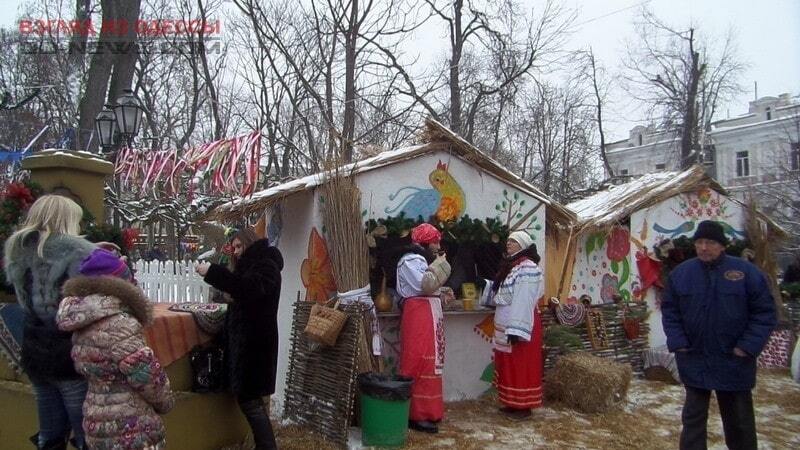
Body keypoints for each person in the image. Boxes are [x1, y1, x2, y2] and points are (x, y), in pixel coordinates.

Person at [662, 220, 777, 450]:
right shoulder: (682, 274)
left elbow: (764, 313)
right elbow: (670, 311)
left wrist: (746, 347)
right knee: (693, 420)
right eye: (700, 242)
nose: (704, 247)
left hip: (733, 360)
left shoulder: (746, 273)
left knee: (739, 422)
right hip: (695, 357)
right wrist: (679, 343)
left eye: (711, 242)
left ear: (722, 245)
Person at [3, 195, 97, 450]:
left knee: (50, 431)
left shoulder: (17, 250)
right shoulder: (78, 253)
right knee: (84, 431)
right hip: (69, 355)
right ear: (66, 220)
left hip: (35, 352)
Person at [56, 249, 175, 449]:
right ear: (119, 285)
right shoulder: (120, 324)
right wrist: (166, 401)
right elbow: (146, 376)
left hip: (96, 418)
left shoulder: (82, 320)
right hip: (131, 425)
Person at [195, 229, 283, 450]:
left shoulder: (266, 265)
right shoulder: (251, 267)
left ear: (249, 243)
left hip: (255, 345)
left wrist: (213, 272)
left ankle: (267, 447)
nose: (235, 252)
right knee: (250, 401)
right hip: (247, 344)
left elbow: (248, 289)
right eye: (233, 248)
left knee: (250, 401)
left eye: (239, 247)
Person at [480, 231, 544, 420]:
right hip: (508, 322)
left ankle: (523, 406)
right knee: (508, 364)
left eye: (513, 241)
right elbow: (504, 293)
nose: (508, 243)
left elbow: (523, 299)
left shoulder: (528, 268)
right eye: (508, 240)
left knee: (521, 365)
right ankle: (512, 403)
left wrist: (517, 329)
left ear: (523, 245)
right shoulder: (512, 266)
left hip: (520, 323)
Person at [395, 223, 451, 434]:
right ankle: (415, 414)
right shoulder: (410, 260)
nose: (438, 245)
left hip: (429, 312)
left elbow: (431, 287)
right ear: (425, 242)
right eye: (435, 241)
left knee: (432, 362)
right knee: (418, 360)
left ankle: (431, 411)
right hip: (418, 313)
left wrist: (443, 291)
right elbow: (423, 285)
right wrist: (441, 267)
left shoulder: (422, 259)